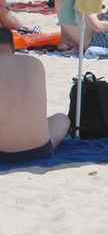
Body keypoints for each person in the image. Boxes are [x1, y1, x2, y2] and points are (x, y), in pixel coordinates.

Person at [0, 28, 70, 164]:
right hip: (40, 151)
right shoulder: (35, 63)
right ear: (13, 46)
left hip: (3, 154)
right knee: (62, 119)